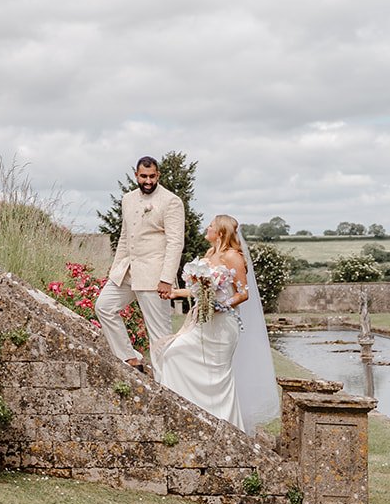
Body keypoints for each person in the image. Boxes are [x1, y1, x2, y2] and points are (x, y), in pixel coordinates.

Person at [151, 214, 280, 433]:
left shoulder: (233, 257)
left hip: (223, 326)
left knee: (218, 379)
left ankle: (227, 431)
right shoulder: (210, 254)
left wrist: (222, 305)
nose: (206, 228)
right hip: (203, 323)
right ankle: (187, 419)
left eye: (210, 225)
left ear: (220, 232)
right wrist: (175, 293)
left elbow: (243, 294)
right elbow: (198, 291)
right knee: (173, 354)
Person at [97, 156, 183, 371]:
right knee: (104, 307)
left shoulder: (171, 201)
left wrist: (166, 279)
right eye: (143, 176)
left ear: (158, 175)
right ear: (136, 175)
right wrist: (116, 268)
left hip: (154, 276)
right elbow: (125, 236)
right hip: (126, 271)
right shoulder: (127, 198)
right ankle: (129, 358)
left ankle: (167, 385)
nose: (147, 181)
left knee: (160, 335)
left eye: (152, 176)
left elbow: (175, 243)